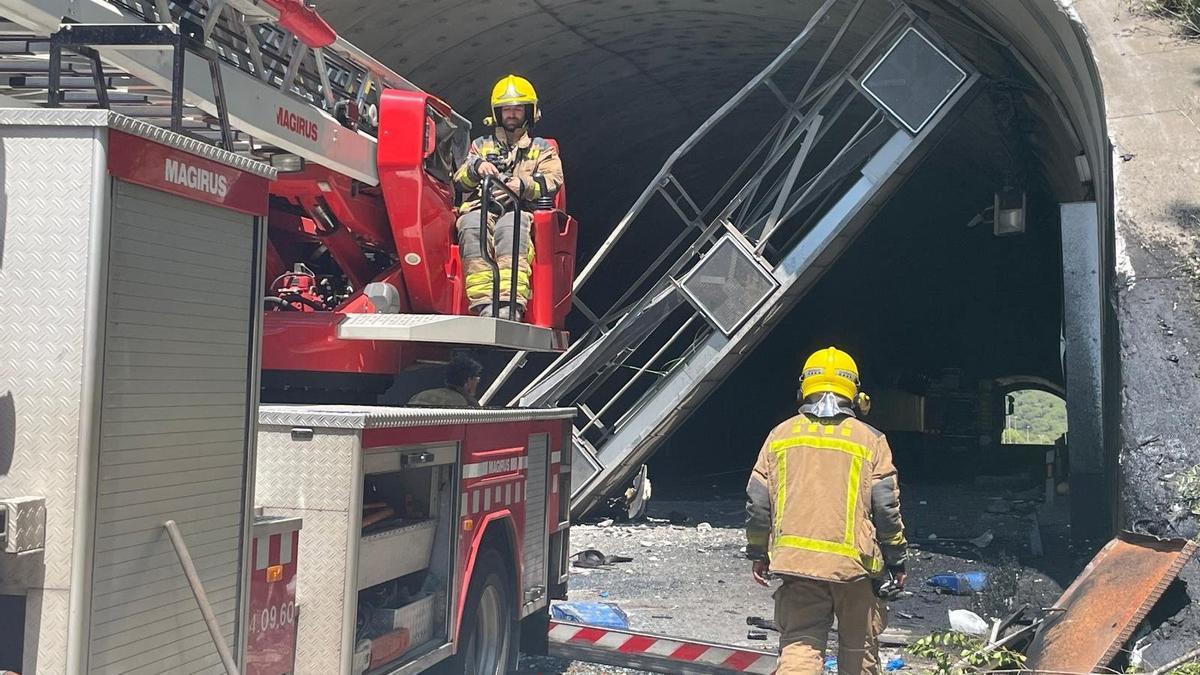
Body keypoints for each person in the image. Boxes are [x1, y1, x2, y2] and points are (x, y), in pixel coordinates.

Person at [745, 347, 908, 674]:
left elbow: (757, 502)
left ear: (804, 386)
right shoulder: (871, 440)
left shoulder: (779, 436)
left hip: (797, 563)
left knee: (800, 647)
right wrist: (897, 559)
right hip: (855, 569)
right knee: (858, 651)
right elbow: (886, 507)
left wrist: (757, 552)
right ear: (856, 393)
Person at [453, 74, 564, 321]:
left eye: (517, 109)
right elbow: (459, 181)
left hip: (520, 211)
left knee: (511, 229)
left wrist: (521, 185)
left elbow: (553, 180)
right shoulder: (480, 146)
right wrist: (476, 168)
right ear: (497, 113)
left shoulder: (542, 148)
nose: (511, 114)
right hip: (483, 209)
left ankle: (510, 302)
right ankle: (483, 304)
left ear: (529, 112)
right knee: (470, 225)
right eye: (506, 110)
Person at [408, 354, 483, 407]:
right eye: (477, 378)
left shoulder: (419, 396)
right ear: (468, 380)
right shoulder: (467, 404)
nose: (478, 381)